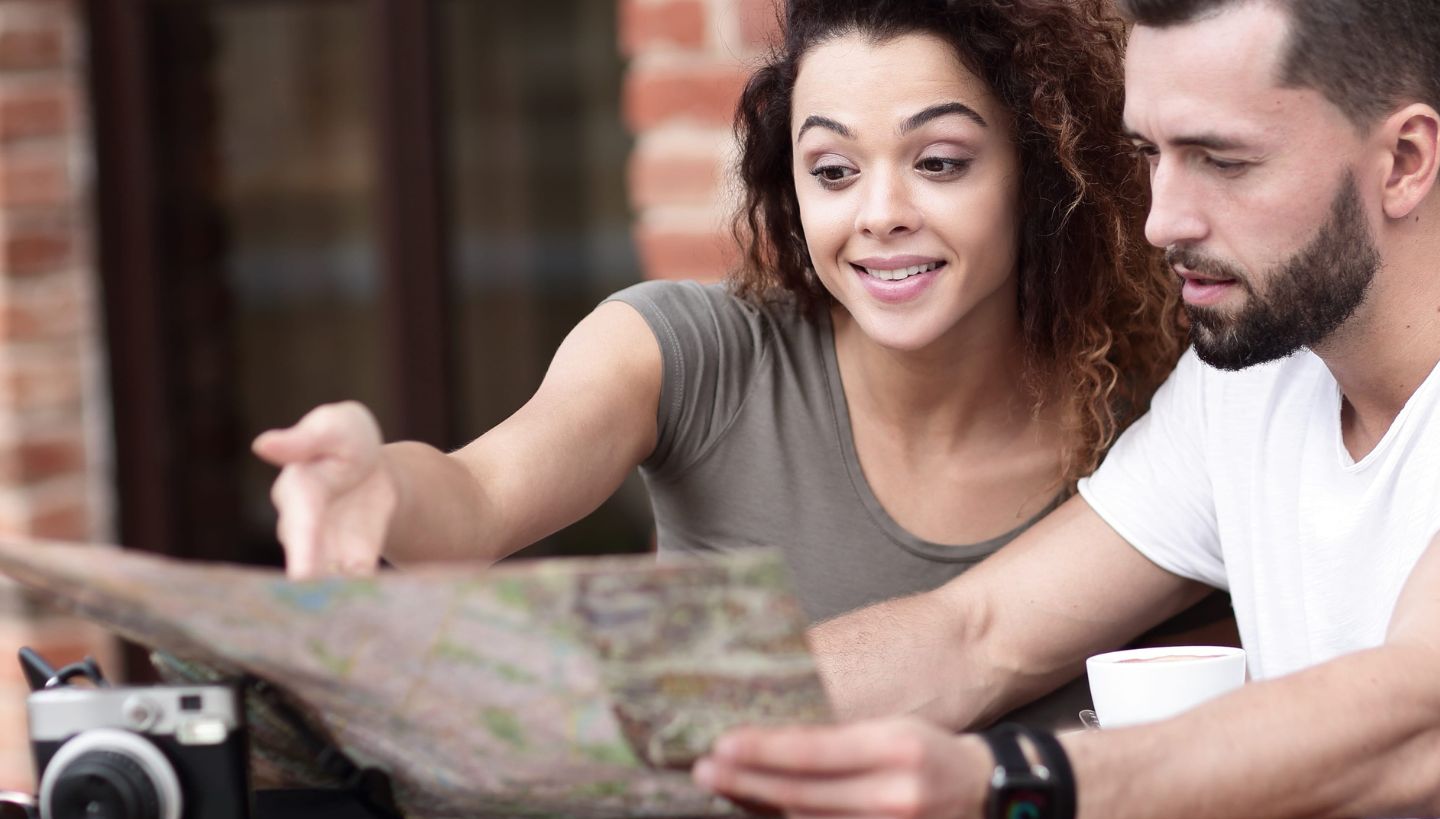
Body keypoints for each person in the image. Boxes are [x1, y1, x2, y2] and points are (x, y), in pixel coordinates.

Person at [691, 0, 1440, 819]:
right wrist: (630, 715)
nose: (1162, 219)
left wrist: (1006, 797)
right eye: (1149, 155)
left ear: (1403, 160)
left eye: (1223, 160)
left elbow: (1435, 713)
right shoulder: (1254, 382)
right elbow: (975, 636)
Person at [253, 0, 1207, 723]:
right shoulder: (688, 353)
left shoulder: (1157, 414)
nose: (879, 213)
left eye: (940, 161)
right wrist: (380, 484)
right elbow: (477, 495)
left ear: (1038, 179)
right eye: (833, 171)